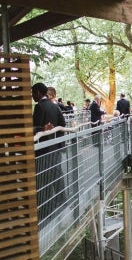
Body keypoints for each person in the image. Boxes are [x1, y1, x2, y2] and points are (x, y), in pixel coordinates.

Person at [32, 83, 67, 223]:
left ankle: (47, 212)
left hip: (42, 150)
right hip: (55, 148)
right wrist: (59, 144)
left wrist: (41, 129)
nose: (32, 95)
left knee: (43, 179)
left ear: (39, 93)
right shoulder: (55, 106)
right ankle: (62, 201)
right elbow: (62, 124)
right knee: (56, 174)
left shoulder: (39, 106)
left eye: (33, 92)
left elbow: (36, 127)